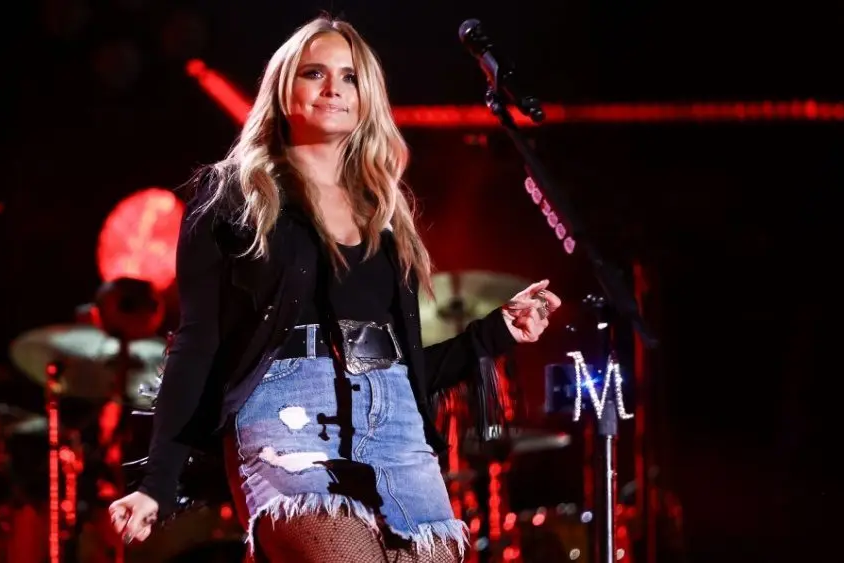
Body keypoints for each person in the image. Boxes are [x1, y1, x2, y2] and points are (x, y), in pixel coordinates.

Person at [109, 15, 562, 563]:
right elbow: (197, 342)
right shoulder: (234, 194)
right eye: (315, 73)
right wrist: (157, 482)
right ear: (283, 89)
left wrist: (493, 333)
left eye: (350, 77)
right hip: (289, 420)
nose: (334, 89)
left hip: (396, 428)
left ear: (367, 96)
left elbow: (403, 367)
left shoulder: (384, 212)